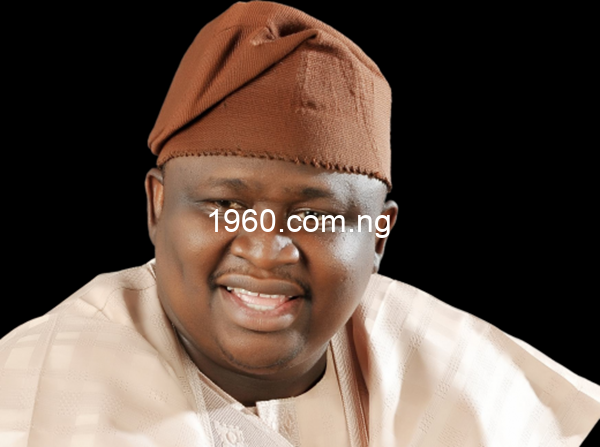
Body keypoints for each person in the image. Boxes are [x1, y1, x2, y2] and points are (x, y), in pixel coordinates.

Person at [1, 2, 598, 446]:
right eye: (225, 205)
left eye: (317, 215)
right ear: (157, 206)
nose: (266, 250)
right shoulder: (34, 389)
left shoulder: (461, 374)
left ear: (380, 235)